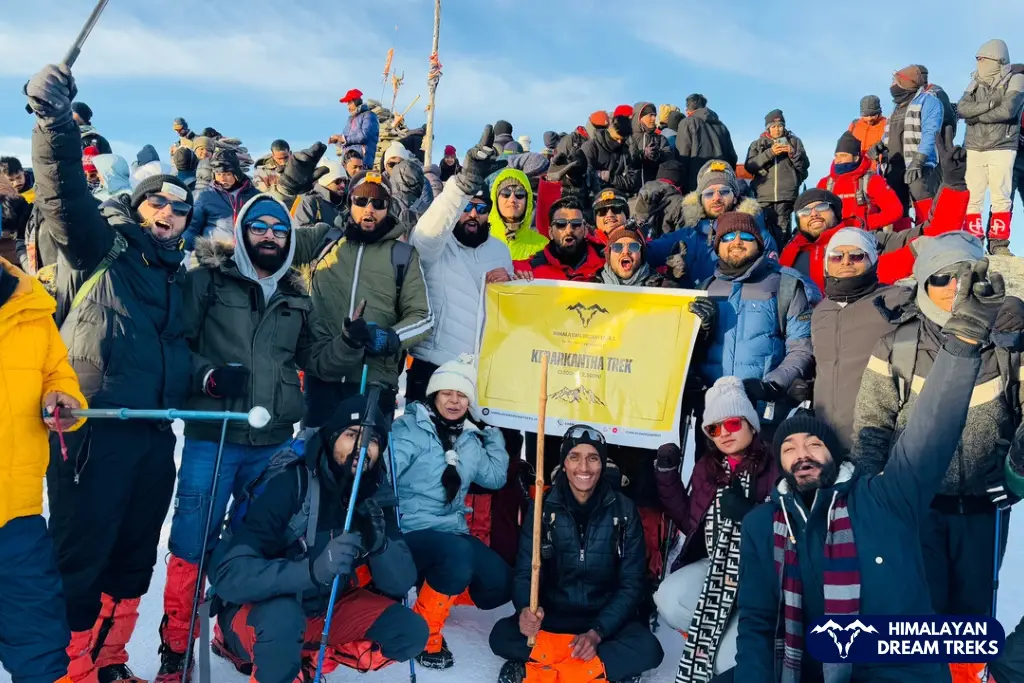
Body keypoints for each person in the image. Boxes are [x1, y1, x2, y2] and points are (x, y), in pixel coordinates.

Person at [737, 256, 1003, 683]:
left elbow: (930, 433)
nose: (802, 453)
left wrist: (962, 345)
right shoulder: (762, 525)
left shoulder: (885, 498)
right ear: (780, 464)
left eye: (814, 443)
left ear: (834, 455)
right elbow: (757, 623)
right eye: (789, 448)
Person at [26, 63, 196, 683]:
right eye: (157, 199)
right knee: (80, 554)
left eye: (180, 206)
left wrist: (206, 381)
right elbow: (63, 195)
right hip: (93, 429)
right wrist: (54, 122)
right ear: (137, 204)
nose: (168, 211)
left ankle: (109, 661)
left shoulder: (180, 278)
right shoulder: (102, 246)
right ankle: (66, 670)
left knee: (133, 557)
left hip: (153, 432)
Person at [154, 195, 320, 681]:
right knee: (193, 541)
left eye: (279, 229)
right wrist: (207, 376)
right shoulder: (206, 281)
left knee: (260, 543)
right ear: (243, 231)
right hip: (215, 434)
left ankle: (238, 635)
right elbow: (174, 344)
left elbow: (312, 358)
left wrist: (353, 342)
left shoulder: (296, 297)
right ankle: (177, 643)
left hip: (273, 442)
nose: (270, 235)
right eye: (259, 226)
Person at [851, 233, 1024, 627]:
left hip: (984, 508)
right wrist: (872, 500)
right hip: (915, 510)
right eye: (941, 278)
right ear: (924, 282)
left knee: (972, 621)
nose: (952, 288)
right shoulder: (898, 345)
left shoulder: (1008, 343)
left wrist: (1016, 475)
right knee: (918, 613)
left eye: (963, 276)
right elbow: (872, 426)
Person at [210, 394, 428, 682]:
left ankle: (309, 660)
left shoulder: (374, 491)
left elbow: (400, 583)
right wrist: (311, 571)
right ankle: (258, 654)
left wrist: (381, 546)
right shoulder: (293, 484)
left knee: (411, 632)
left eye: (373, 439)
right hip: (265, 611)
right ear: (332, 437)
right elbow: (229, 575)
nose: (362, 447)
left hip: (326, 608)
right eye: (352, 434)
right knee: (283, 621)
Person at [489, 425, 665, 683]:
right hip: (553, 616)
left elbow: (631, 584)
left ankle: (541, 671)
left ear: (602, 464)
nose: (584, 467)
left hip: (604, 620)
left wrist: (597, 633)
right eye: (574, 457)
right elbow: (525, 570)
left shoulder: (624, 510)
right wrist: (526, 608)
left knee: (649, 649)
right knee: (501, 635)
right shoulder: (542, 508)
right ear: (564, 464)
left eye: (593, 458)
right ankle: (594, 669)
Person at [654, 377, 778, 681]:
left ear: (751, 424)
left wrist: (752, 515)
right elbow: (690, 522)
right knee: (669, 598)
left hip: (763, 573)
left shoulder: (775, 462)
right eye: (714, 428)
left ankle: (740, 638)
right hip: (717, 567)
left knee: (727, 663)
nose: (724, 434)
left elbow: (792, 529)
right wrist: (667, 474)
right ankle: (717, 630)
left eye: (733, 423)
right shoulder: (708, 468)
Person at [391, 358, 512, 669]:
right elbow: (386, 474)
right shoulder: (410, 429)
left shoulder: (470, 438)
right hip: (410, 528)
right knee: (457, 555)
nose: (454, 401)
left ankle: (436, 593)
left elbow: (494, 478)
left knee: (499, 583)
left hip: (451, 531)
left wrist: (493, 435)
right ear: (434, 395)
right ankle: (423, 633)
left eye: (461, 395)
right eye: (447, 393)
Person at [0, 255, 87, 683]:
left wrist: (63, 397)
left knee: (40, 647)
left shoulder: (30, 304)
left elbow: (57, 372)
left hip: (17, 513)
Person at [300, 169, 433, 428]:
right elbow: (278, 240)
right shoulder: (323, 240)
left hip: (373, 381)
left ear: (388, 208)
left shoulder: (403, 255)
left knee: (366, 452)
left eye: (379, 203)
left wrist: (390, 337)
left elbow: (423, 317)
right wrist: (288, 188)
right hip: (322, 376)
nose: (369, 209)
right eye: (361, 200)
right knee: (315, 448)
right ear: (349, 202)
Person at [782, 129, 971, 293]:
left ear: (836, 212)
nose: (813, 213)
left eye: (821, 207)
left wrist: (954, 186)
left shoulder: (869, 244)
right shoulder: (789, 254)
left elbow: (933, 235)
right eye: (805, 211)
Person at [407, 135, 512, 402]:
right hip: (434, 365)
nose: (473, 214)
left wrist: (514, 282)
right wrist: (461, 187)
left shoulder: (500, 250)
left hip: (481, 370)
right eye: (467, 207)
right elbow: (426, 236)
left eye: (482, 208)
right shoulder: (438, 244)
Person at [697, 212, 814, 435]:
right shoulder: (704, 288)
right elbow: (689, 350)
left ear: (759, 243)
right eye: (728, 236)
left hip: (761, 411)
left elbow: (801, 348)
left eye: (746, 237)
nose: (737, 242)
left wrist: (771, 385)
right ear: (718, 245)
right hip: (711, 413)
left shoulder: (785, 285)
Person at [806, 228, 912, 452]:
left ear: (872, 261)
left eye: (856, 255)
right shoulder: (821, 311)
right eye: (836, 256)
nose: (846, 262)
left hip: (877, 440)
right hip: (826, 441)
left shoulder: (894, 298)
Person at [646, 160, 778, 288]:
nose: (716, 198)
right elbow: (644, 253)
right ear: (700, 200)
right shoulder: (687, 236)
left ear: (735, 197)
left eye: (724, 191)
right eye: (709, 193)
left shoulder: (757, 237)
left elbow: (770, 282)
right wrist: (639, 224)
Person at [958, 39, 1024, 256]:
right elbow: (962, 108)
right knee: (972, 197)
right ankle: (973, 241)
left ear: (997, 59)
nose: (980, 63)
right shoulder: (975, 81)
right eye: (978, 59)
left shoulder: (1016, 79)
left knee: (1001, 196)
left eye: (983, 59)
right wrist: (988, 105)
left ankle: (999, 243)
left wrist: (976, 117)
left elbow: (1008, 111)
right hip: (974, 146)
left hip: (1003, 145)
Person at [880, 64, 953, 225]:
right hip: (894, 164)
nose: (892, 85)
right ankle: (904, 236)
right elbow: (889, 134)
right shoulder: (897, 107)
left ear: (906, 82)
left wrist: (919, 161)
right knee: (899, 206)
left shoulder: (929, 101)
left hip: (917, 163)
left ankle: (929, 232)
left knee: (921, 197)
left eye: (895, 81)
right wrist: (879, 146)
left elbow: (931, 132)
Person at [744, 109, 809, 245]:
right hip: (763, 195)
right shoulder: (757, 144)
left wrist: (792, 153)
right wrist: (770, 153)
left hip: (786, 195)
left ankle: (783, 255)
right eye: (773, 126)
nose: (777, 129)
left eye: (780, 126)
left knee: (783, 232)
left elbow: (804, 167)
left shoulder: (794, 142)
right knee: (763, 229)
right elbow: (749, 166)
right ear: (768, 128)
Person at [816, 131, 903, 232]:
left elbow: (895, 210)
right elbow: (814, 213)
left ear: (856, 158)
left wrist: (864, 224)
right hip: (833, 237)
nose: (838, 160)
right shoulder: (825, 183)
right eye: (836, 156)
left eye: (843, 155)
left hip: (863, 236)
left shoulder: (872, 180)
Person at [184, 149, 259, 248]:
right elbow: (192, 227)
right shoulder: (206, 196)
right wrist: (186, 251)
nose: (222, 179)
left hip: (247, 252)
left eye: (227, 174)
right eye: (218, 174)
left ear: (237, 174)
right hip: (214, 252)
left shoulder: (254, 196)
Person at [519, 196, 605, 280]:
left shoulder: (605, 261)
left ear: (586, 230)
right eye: (561, 224)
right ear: (550, 232)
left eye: (576, 223)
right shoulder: (531, 268)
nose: (569, 230)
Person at [675, 94, 738, 194]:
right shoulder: (722, 126)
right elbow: (732, 157)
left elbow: (682, 155)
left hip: (696, 184)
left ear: (688, 109)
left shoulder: (687, 122)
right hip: (722, 182)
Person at [487, 167, 547, 262]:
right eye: (506, 193)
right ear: (496, 199)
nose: (512, 199)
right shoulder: (477, 243)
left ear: (528, 201)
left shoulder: (544, 247)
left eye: (520, 194)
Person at [581, 105, 640, 196]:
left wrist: (610, 178)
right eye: (616, 138)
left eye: (622, 140)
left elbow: (631, 181)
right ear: (610, 130)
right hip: (595, 199)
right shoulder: (590, 147)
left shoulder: (625, 151)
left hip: (618, 198)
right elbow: (586, 177)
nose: (619, 142)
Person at [596, 224, 672, 288]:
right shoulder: (592, 286)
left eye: (634, 246)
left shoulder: (662, 289)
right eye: (617, 247)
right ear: (609, 256)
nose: (625, 252)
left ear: (642, 255)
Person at [633, 160, 688, 238]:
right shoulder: (680, 202)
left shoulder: (643, 192)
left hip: (639, 243)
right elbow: (683, 238)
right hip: (666, 244)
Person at [330, 89, 380, 169]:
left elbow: (365, 135)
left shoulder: (369, 115)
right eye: (347, 103)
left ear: (356, 102)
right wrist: (337, 141)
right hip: (348, 163)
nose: (348, 106)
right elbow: (346, 141)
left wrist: (343, 138)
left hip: (362, 163)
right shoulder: (350, 119)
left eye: (350, 102)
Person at [627, 102, 673, 186]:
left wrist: (659, 154)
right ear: (640, 117)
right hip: (632, 189)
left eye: (655, 115)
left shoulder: (660, 138)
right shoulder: (628, 138)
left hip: (655, 188)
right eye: (650, 115)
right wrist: (642, 155)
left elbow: (669, 158)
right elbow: (627, 162)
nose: (654, 118)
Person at [292, 159, 347, 229]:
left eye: (345, 181)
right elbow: (302, 231)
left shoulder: (345, 203)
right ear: (326, 181)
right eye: (338, 181)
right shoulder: (310, 202)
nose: (343, 185)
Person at [848, 95, 887, 167]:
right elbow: (846, 148)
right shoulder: (855, 125)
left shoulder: (887, 125)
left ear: (879, 112)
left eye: (873, 115)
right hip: (857, 169)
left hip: (877, 169)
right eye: (866, 115)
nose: (869, 118)